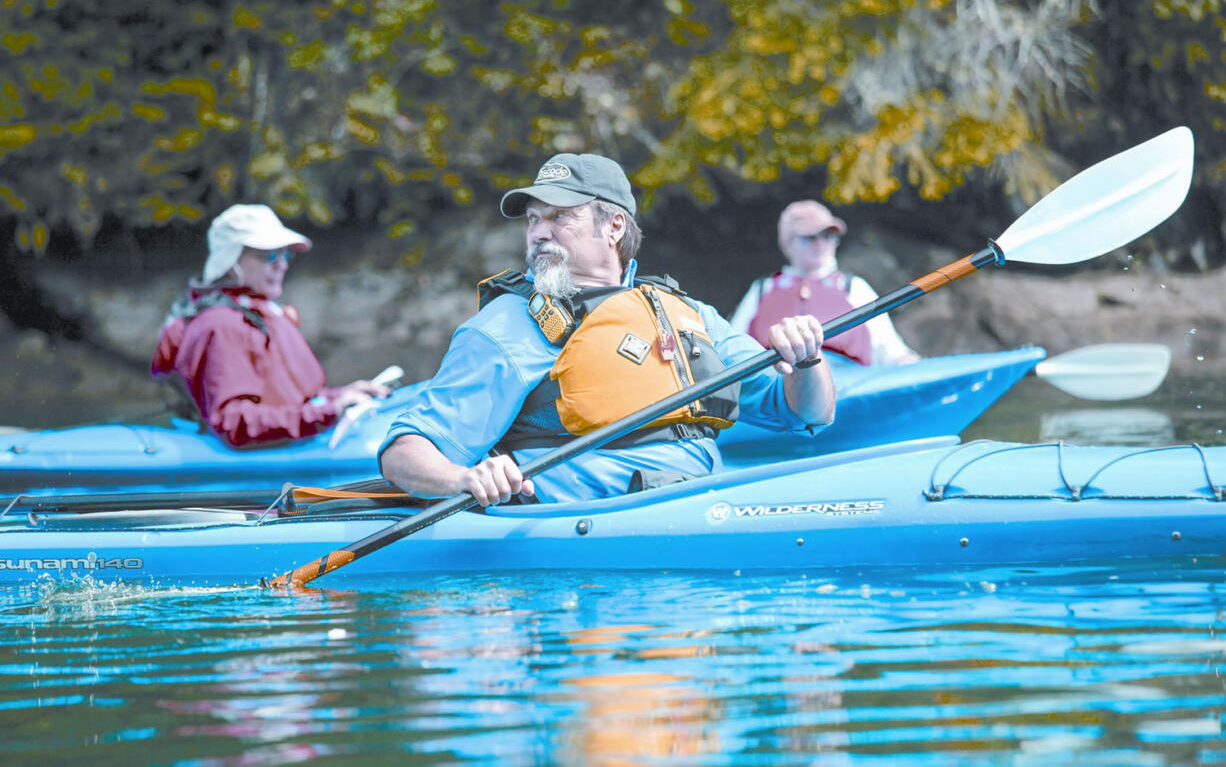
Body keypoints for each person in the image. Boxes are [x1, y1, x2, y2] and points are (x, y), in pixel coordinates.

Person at [379, 153, 836, 507]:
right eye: (533, 220)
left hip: (697, 505)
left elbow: (804, 414)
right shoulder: (506, 327)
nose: (539, 233)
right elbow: (405, 451)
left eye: (559, 217)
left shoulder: (688, 314)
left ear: (614, 225)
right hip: (580, 534)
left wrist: (808, 360)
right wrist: (462, 479)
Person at [151, 204, 389, 447]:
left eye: (286, 255)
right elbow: (235, 423)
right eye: (269, 256)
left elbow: (293, 398)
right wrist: (327, 412)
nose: (282, 265)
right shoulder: (221, 325)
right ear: (230, 259)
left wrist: (339, 396)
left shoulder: (257, 312)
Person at [729, 200, 920, 366]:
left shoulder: (852, 286)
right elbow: (732, 348)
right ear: (786, 244)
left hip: (846, 380)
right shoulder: (764, 287)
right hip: (773, 378)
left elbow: (890, 349)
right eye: (809, 237)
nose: (820, 243)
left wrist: (908, 362)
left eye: (828, 235)